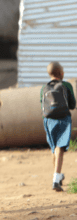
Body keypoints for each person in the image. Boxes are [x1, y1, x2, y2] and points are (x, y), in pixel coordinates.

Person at [40, 62, 76, 192]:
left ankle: (58, 175)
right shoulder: (66, 85)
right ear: (61, 73)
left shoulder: (43, 88)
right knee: (60, 148)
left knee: (54, 148)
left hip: (48, 120)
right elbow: (72, 105)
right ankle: (56, 180)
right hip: (63, 120)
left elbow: (42, 105)